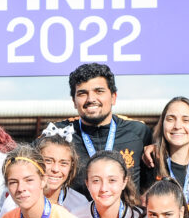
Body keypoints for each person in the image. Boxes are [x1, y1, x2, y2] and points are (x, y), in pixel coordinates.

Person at [41, 63, 153, 195]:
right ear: (74, 101)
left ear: (113, 97)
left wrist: (159, 146)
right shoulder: (58, 134)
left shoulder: (139, 132)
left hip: (126, 215)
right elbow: (24, 162)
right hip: (74, 215)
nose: (91, 99)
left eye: (99, 91)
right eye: (82, 93)